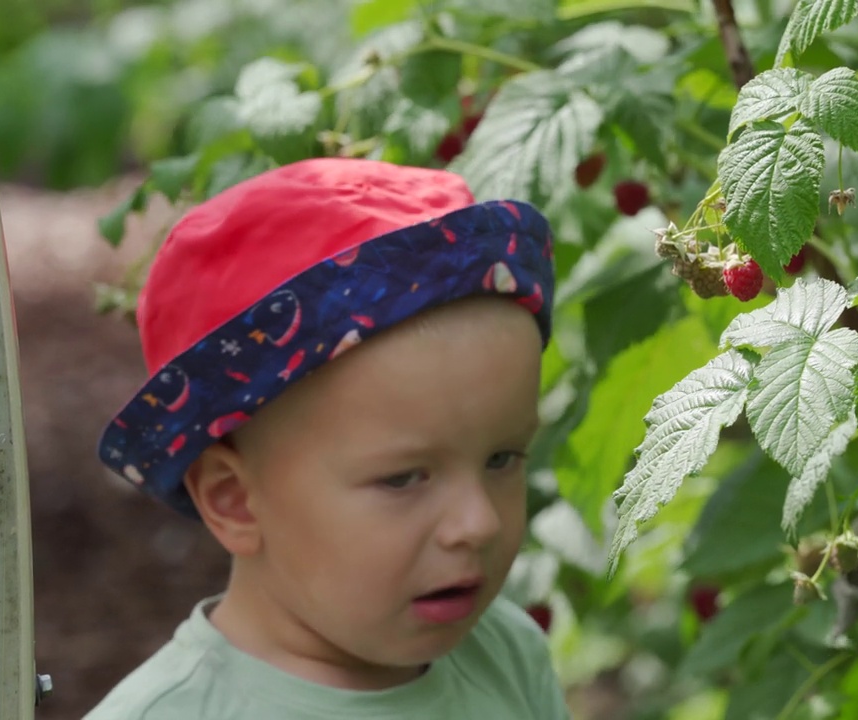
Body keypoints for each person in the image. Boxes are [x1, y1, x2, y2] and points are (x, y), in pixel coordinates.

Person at [85, 157, 570, 719]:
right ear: (234, 499)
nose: (479, 522)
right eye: (404, 477)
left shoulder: (506, 657)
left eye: (501, 458)